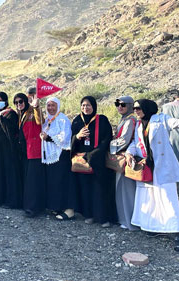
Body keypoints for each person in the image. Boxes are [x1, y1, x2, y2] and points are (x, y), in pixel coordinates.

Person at [126, 99, 179, 252]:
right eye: (134, 108)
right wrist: (129, 153)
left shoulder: (161, 119)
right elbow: (135, 143)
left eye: (138, 107)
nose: (136, 110)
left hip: (162, 165)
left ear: (147, 108)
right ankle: (153, 226)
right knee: (150, 198)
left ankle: (176, 233)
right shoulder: (139, 124)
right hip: (147, 166)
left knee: (168, 199)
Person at [70, 96, 117, 227]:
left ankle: (102, 218)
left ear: (94, 106)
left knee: (99, 189)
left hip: (98, 159)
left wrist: (94, 154)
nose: (85, 108)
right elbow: (71, 140)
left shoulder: (102, 120)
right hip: (82, 161)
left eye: (88, 105)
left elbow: (107, 139)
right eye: (83, 105)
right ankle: (88, 214)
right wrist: (78, 136)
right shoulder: (77, 120)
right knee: (85, 188)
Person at [39, 97, 74, 221]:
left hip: (61, 155)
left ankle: (67, 209)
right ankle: (56, 206)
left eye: (53, 105)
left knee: (61, 182)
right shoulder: (48, 120)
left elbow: (65, 137)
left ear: (58, 106)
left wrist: (48, 138)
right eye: (48, 105)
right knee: (53, 182)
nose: (50, 108)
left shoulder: (63, 119)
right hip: (50, 156)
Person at [0, 92, 22, 209]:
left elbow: (11, 130)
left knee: (9, 174)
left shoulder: (11, 113)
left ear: (6, 101)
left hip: (8, 149)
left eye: (0, 100)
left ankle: (11, 201)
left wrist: (3, 119)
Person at [109, 96, 138, 230]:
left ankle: (128, 220)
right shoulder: (125, 119)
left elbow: (124, 140)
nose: (120, 107)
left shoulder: (130, 120)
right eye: (117, 104)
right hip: (122, 156)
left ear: (130, 106)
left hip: (125, 157)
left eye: (123, 104)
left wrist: (108, 144)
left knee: (125, 190)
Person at [15, 93, 45, 218]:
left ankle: (33, 208)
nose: (19, 104)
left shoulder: (32, 111)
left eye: (21, 101)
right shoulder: (21, 114)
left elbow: (40, 121)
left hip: (34, 150)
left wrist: (36, 107)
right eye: (16, 102)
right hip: (25, 151)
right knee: (28, 179)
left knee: (33, 181)